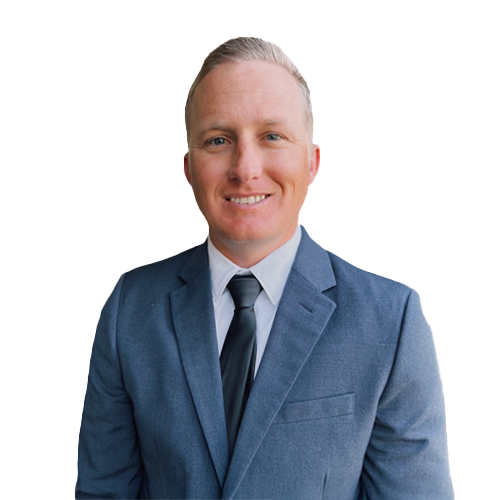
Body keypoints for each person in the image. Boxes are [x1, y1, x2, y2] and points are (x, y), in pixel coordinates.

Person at [76, 37, 454, 500]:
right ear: (189, 168)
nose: (245, 168)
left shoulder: (390, 323)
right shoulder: (130, 310)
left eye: (272, 136)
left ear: (311, 162)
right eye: (218, 140)